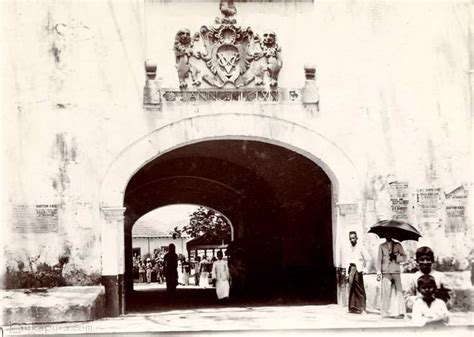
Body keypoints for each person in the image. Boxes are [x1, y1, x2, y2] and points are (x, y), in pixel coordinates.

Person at [404, 246, 454, 311]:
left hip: (437, 311)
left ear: (432, 260)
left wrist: (445, 306)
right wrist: (417, 301)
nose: (425, 262)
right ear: (417, 261)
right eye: (422, 260)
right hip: (421, 310)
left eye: (428, 259)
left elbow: (451, 294)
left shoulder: (440, 276)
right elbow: (407, 297)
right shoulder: (414, 277)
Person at [375, 235, 407, 318]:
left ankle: (401, 312)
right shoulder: (381, 246)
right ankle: (386, 313)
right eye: (386, 234)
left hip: (396, 271)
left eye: (389, 234)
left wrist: (396, 257)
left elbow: (404, 258)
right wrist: (378, 271)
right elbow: (379, 259)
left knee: (399, 291)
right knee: (386, 292)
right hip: (385, 272)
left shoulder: (398, 245)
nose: (387, 236)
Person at [342, 231, 371, 314]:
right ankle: (353, 308)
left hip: (358, 269)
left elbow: (369, 259)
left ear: (356, 238)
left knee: (359, 289)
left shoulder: (361, 247)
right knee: (351, 288)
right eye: (350, 238)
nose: (352, 240)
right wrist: (347, 274)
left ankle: (363, 309)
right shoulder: (348, 248)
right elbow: (347, 260)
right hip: (351, 269)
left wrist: (365, 270)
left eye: (353, 238)